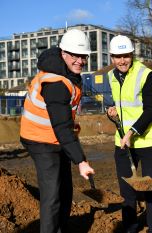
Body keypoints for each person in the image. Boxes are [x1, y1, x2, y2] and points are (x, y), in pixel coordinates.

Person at [20, 29, 95, 233]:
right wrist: (80, 161)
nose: (80, 60)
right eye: (75, 55)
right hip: (40, 140)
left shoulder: (68, 74)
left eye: (83, 56)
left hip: (55, 137)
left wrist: (70, 126)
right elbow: (61, 126)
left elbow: (62, 119)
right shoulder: (55, 82)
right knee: (52, 195)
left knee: (65, 191)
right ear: (63, 53)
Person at [106, 35, 152, 233]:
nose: (122, 61)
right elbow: (117, 104)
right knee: (126, 188)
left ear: (132, 55)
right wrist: (110, 111)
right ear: (111, 57)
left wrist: (132, 132)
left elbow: (150, 110)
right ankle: (130, 227)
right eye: (117, 56)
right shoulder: (111, 76)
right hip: (122, 139)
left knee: (149, 187)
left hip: (148, 139)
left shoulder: (148, 75)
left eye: (126, 56)